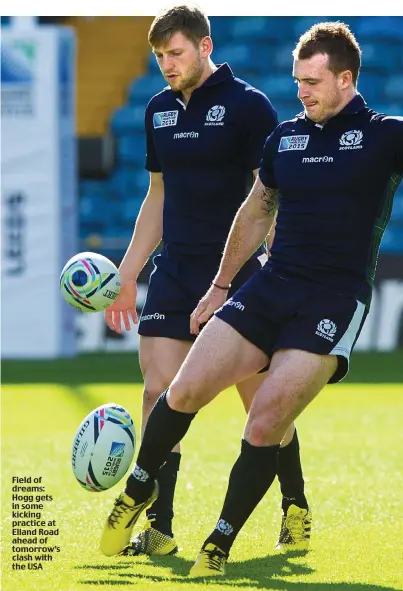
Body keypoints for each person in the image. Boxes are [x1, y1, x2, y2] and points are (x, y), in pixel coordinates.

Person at [100, 20, 403, 575]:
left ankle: (222, 541)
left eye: (312, 81)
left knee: (263, 420)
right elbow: (258, 208)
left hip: (331, 300)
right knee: (177, 391)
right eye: (297, 80)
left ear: (345, 79)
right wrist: (218, 286)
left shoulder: (383, 134)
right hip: (264, 286)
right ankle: (141, 496)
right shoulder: (286, 136)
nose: (302, 90)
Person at [104, 4, 311, 558]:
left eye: (175, 53)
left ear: (204, 45)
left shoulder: (249, 107)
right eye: (159, 57)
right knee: (158, 392)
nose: (167, 66)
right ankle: (161, 529)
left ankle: (295, 505)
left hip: (238, 276)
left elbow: (271, 195)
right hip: (174, 272)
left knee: (262, 404)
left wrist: (278, 264)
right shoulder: (157, 110)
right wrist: (127, 274)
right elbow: (158, 195)